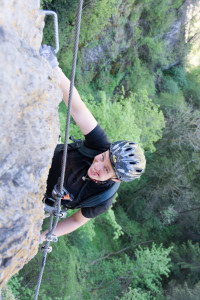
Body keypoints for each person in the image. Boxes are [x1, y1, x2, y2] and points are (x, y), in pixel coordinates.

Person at [39, 45, 146, 243]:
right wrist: (54, 67)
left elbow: (76, 221)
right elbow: (77, 107)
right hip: (41, 157)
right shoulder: (100, 143)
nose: (97, 166)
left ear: (116, 179)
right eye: (103, 158)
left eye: (106, 169)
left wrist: (43, 237)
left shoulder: (102, 199)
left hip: (40, 198)